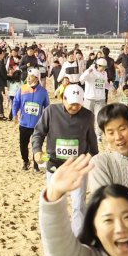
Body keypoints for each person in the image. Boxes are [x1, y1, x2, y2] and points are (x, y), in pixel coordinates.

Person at [31, 85, 99, 234]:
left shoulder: (88, 115)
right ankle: (53, 232)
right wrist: (37, 151)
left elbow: (91, 139)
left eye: (78, 104)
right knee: (53, 200)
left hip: (78, 166)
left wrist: (95, 157)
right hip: (55, 164)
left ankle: (78, 235)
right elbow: (38, 133)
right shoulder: (51, 111)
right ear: (63, 99)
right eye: (71, 103)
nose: (74, 107)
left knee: (78, 203)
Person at [87, 103, 128, 196]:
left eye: (122, 129)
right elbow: (105, 204)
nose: (118, 137)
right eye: (111, 133)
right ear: (105, 135)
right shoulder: (100, 163)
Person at [11, 71, 50, 171]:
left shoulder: (43, 91)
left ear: (37, 78)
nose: (28, 78)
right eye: (28, 76)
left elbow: (47, 107)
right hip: (23, 123)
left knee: (36, 145)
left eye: (31, 77)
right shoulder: (22, 89)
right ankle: (25, 161)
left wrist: (47, 120)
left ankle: (36, 164)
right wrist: (14, 114)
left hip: (37, 124)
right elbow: (16, 102)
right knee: (23, 145)